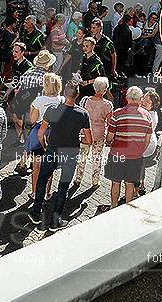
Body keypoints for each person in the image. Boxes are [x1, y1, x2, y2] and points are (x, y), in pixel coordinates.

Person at [29, 81, 92, 230]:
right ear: (77, 95)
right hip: (70, 153)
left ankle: (36, 212)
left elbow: (40, 132)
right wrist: (78, 138)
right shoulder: (83, 114)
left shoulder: (52, 109)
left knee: (42, 180)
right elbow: (89, 140)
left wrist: (45, 146)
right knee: (63, 186)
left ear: (64, 93)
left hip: (52, 150)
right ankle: (55, 221)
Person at [104, 86, 153, 207]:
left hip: (117, 155)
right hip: (136, 157)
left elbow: (110, 136)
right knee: (130, 184)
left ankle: (113, 206)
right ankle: (127, 208)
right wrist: (139, 151)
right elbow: (147, 140)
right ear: (140, 99)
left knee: (115, 182)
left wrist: (109, 142)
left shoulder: (117, 114)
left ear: (127, 98)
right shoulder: (147, 116)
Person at [26, 72, 65, 199]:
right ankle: (47, 193)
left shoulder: (38, 100)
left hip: (39, 133)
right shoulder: (62, 100)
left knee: (36, 166)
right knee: (49, 166)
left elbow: (32, 120)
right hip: (55, 134)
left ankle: (35, 192)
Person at [74, 77, 113, 187]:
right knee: (97, 158)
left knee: (82, 157)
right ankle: (95, 181)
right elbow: (110, 122)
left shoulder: (85, 100)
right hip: (99, 134)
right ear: (105, 89)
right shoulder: (108, 105)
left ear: (94, 87)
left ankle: (78, 179)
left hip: (85, 133)